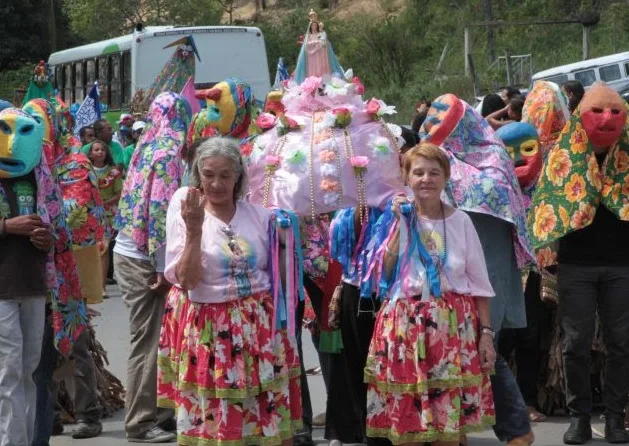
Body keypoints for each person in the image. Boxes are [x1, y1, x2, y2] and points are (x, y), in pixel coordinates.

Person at [157, 136, 303, 445]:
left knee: (268, 420)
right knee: (219, 421)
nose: (217, 183)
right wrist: (195, 230)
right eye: (208, 174)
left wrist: (287, 239)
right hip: (213, 331)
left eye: (225, 175)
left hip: (260, 330)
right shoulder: (186, 210)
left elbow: (280, 279)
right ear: (198, 175)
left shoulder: (261, 216)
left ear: (238, 177)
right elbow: (187, 281)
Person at [419, 94, 535, 446]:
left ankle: (516, 429)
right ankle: (459, 430)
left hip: (489, 267)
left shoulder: (491, 157)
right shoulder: (442, 163)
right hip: (451, 272)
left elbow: (495, 199)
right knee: (456, 352)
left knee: (486, 350)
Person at [363, 143, 496, 445]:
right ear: (406, 178)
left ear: (446, 177)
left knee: (448, 430)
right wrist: (399, 225)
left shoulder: (461, 221)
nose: (426, 179)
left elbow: (479, 283)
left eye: (434, 172)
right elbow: (383, 274)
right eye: (418, 172)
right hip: (403, 328)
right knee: (407, 428)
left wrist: (486, 333)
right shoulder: (393, 218)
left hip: (452, 331)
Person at [529, 84, 629, 445]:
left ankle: (616, 418)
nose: (606, 119)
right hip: (577, 265)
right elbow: (545, 207)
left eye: (615, 113)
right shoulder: (563, 155)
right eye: (598, 112)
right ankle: (579, 417)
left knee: (621, 343)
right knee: (575, 344)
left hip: (622, 264)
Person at [114, 92, 191, 443]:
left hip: (131, 250)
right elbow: (160, 211)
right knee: (147, 340)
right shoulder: (168, 150)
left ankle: (160, 413)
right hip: (144, 259)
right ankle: (140, 423)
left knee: (160, 338)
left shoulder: (146, 143)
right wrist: (163, 268)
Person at [0, 107, 57, 446]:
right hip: (2, 290)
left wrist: (46, 238)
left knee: (29, 372)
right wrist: (8, 226)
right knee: (8, 373)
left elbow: (54, 226)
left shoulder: (38, 177)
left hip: (34, 286)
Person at [87, 140, 123, 299]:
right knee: (89, 251)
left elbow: (119, 193)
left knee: (103, 249)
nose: (100, 152)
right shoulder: (84, 171)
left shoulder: (113, 172)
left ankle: (101, 287)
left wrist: (105, 203)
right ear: (91, 153)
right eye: (96, 150)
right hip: (89, 214)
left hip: (107, 216)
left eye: (102, 149)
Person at [294, 9, 344, 83]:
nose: (314, 26)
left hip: (320, 56)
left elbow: (324, 43)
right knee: (313, 69)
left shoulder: (320, 34)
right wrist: (316, 42)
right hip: (312, 57)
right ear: (310, 27)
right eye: (312, 25)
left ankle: (324, 80)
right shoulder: (309, 35)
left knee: (321, 69)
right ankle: (314, 82)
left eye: (315, 25)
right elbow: (306, 45)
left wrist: (320, 42)